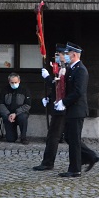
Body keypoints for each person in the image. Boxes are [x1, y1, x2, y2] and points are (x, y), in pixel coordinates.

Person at [55, 43, 99, 177]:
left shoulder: (80, 70)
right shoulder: (72, 68)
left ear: (74, 54)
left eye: (67, 54)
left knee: (73, 139)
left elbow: (78, 91)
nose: (66, 56)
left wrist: (64, 101)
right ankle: (90, 156)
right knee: (69, 137)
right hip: (71, 109)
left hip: (77, 109)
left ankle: (75, 169)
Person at [33, 43, 70, 171]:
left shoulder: (65, 68)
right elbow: (56, 89)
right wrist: (49, 97)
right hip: (57, 105)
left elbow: (60, 86)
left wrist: (47, 78)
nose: (56, 57)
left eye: (58, 55)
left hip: (61, 107)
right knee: (68, 137)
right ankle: (90, 156)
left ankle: (48, 163)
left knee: (54, 136)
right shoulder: (60, 67)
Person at [0, 73, 31, 145]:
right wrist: (8, 114)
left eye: (15, 82)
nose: (14, 84)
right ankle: (13, 135)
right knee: (10, 139)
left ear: (19, 81)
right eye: (12, 82)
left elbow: (28, 105)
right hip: (8, 114)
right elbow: (0, 104)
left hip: (20, 113)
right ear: (9, 82)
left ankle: (23, 137)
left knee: (23, 117)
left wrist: (15, 113)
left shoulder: (25, 90)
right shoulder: (4, 90)